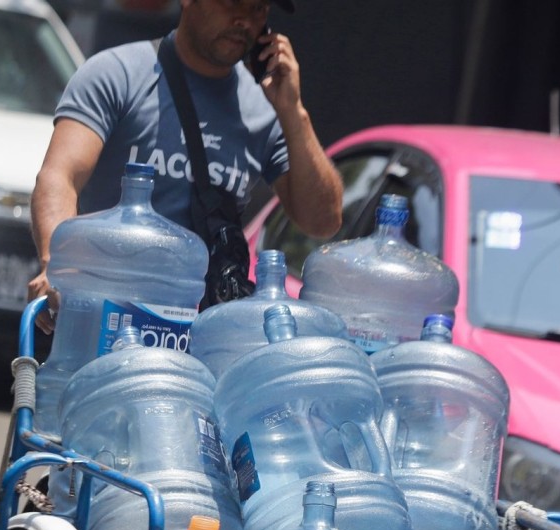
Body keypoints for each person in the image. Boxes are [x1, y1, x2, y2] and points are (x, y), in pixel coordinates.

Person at [28, 0, 342, 332]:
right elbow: (60, 176)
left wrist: (294, 111)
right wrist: (56, 266)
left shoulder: (266, 108)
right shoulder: (116, 73)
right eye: (234, 3)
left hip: (202, 343)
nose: (245, 21)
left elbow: (323, 221)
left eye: (259, 9)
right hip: (107, 323)